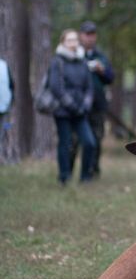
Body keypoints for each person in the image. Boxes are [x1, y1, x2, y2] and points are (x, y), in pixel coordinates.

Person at [49, 30, 95, 184]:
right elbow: (56, 88)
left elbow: (89, 87)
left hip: (81, 111)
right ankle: (64, 177)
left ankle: (85, 177)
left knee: (89, 142)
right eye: (69, 40)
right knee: (65, 143)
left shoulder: (82, 61)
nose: (73, 43)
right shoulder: (57, 62)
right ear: (63, 43)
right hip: (63, 111)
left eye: (75, 39)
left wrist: (86, 104)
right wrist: (73, 106)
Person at [77, 20, 114, 177]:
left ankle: (93, 169)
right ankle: (69, 172)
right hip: (77, 104)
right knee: (75, 140)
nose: (90, 37)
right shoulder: (75, 55)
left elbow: (110, 78)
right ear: (81, 36)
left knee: (96, 138)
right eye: (87, 34)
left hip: (97, 105)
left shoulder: (101, 56)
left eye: (92, 34)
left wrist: (101, 70)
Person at [0, 57, 14, 145]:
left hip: (5, 105)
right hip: (5, 105)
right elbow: (12, 85)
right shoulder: (4, 65)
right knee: (4, 129)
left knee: (6, 126)